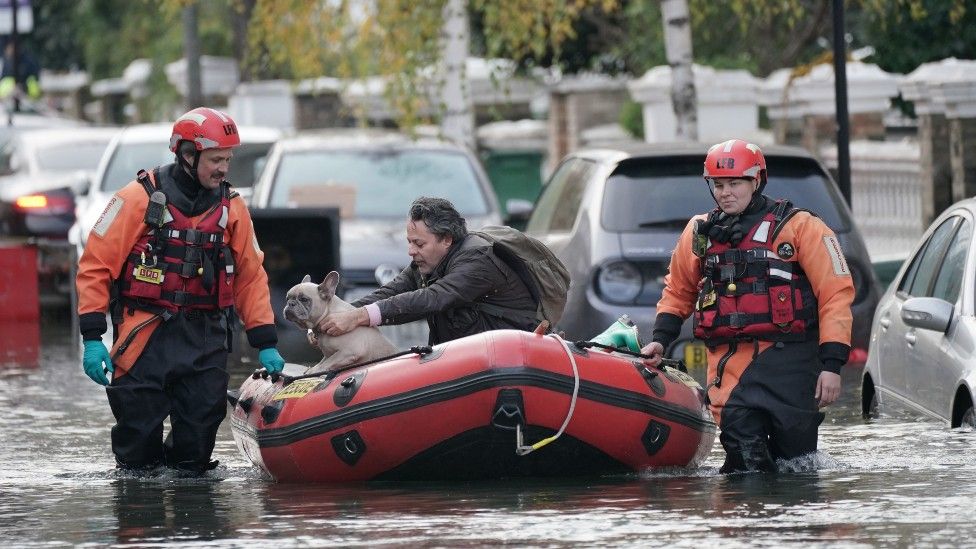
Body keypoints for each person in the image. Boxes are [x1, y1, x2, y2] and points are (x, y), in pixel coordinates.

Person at [76, 107, 285, 475]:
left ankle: (195, 526)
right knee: (137, 453)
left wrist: (265, 340)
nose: (223, 168)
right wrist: (93, 337)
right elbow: (95, 264)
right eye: (215, 159)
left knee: (196, 452)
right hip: (145, 337)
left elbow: (251, 276)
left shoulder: (233, 208)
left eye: (227, 159)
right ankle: (140, 519)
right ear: (188, 155)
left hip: (204, 340)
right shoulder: (137, 198)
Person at [640, 138, 854, 474]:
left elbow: (835, 295)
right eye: (718, 185)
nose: (725, 193)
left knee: (796, 465)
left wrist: (832, 365)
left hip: (792, 364)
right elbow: (678, 290)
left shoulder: (801, 228)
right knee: (745, 463)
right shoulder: (700, 232)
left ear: (756, 181)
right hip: (731, 368)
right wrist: (660, 338)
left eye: (734, 184)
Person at [317, 196, 539, 345]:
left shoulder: (478, 261)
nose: (411, 251)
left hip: (510, 360)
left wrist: (359, 317)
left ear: (446, 240)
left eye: (419, 244)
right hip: (467, 359)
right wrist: (334, 316)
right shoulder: (428, 263)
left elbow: (432, 298)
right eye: (410, 242)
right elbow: (391, 292)